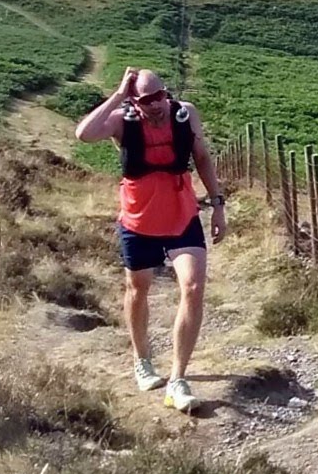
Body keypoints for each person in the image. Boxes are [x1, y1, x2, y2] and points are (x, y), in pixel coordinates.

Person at [74, 64, 218, 410]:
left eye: (160, 95)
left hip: (182, 215)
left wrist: (218, 205)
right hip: (138, 221)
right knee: (138, 290)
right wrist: (119, 96)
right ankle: (142, 360)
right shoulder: (123, 120)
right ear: (135, 100)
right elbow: (84, 134)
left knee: (194, 287)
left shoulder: (186, 114)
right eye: (147, 99)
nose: (156, 104)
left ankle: (178, 380)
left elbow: (202, 158)